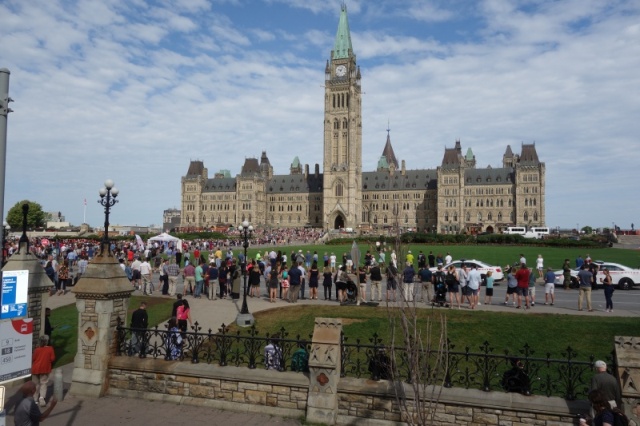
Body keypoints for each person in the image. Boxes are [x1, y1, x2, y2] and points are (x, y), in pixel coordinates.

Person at [31, 335, 55, 407]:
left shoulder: (37, 349)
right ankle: (42, 398)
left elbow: (33, 358)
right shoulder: (50, 349)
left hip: (35, 369)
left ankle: (35, 399)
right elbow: (52, 358)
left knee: (36, 384)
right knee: (43, 383)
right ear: (47, 342)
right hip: (45, 369)